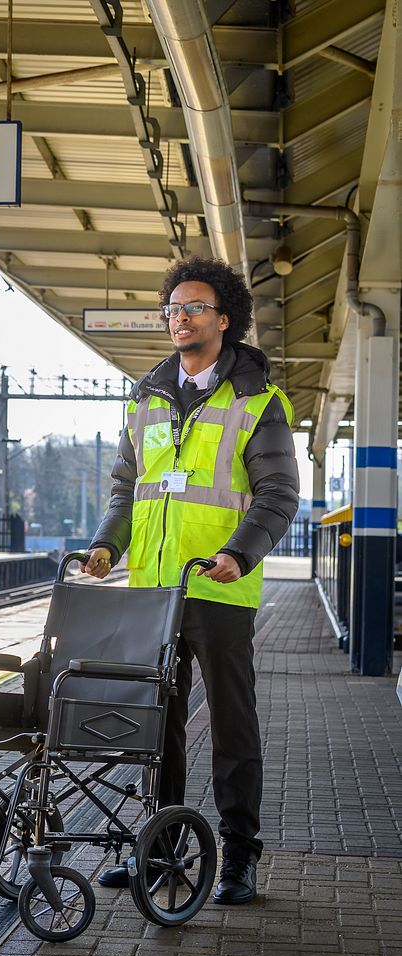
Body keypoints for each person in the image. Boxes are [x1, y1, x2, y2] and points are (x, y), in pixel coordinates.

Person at [83, 255, 299, 905]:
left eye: (193, 308)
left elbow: (278, 493)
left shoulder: (257, 398)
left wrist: (241, 552)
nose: (179, 318)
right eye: (172, 309)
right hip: (151, 589)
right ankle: (162, 849)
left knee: (232, 723)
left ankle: (238, 856)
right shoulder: (146, 398)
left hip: (217, 585)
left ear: (224, 320)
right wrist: (105, 545)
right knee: (154, 724)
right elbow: (128, 490)